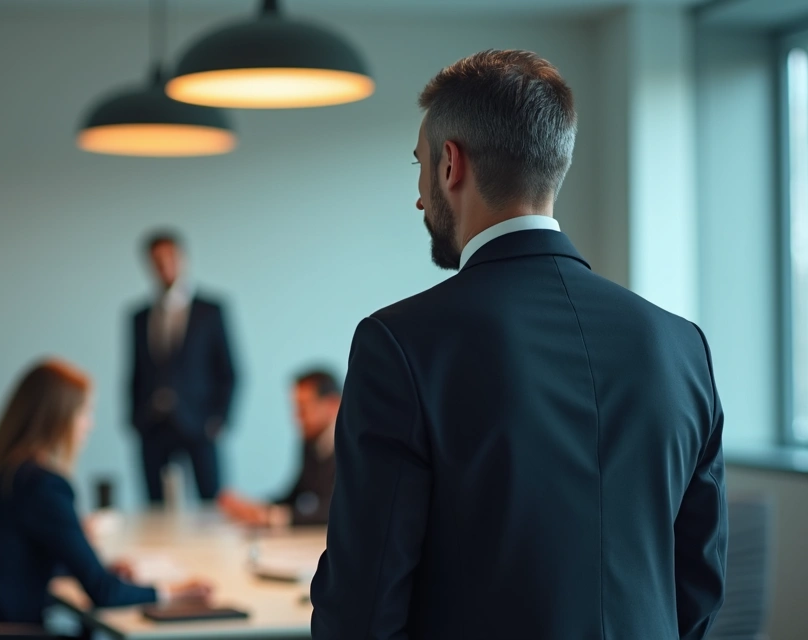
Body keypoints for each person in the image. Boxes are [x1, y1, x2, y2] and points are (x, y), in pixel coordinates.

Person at [311, 50, 727, 640]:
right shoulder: (682, 346)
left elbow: (363, 605)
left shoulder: (399, 344)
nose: (420, 199)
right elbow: (700, 584)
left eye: (419, 168)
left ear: (450, 163)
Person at [0, 359, 210, 625]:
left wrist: (89, 568)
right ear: (59, 419)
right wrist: (174, 592)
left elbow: (12, 558)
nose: (89, 425)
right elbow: (103, 592)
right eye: (84, 413)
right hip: (9, 629)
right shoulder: (42, 484)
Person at [129, 230, 237, 503]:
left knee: (211, 503)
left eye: (169, 257)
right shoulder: (139, 317)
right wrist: (134, 419)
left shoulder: (210, 311)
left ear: (183, 259)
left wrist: (219, 419)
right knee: (155, 506)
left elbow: (229, 370)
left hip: (198, 423)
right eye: (157, 260)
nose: (164, 265)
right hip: (153, 425)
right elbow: (135, 372)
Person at [218, 369, 341, 528]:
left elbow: (337, 509)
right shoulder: (310, 440)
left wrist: (273, 517)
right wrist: (257, 508)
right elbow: (297, 492)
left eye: (303, 408)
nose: (296, 417)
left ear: (332, 405)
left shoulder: (351, 447)